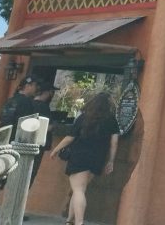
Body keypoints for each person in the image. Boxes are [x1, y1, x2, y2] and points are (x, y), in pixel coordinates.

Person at [49, 92, 120, 225]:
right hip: (97, 159)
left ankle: (79, 222)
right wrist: (111, 161)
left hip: (79, 156)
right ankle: (69, 221)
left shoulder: (84, 118)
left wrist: (56, 150)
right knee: (79, 190)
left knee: (78, 190)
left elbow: (70, 137)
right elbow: (114, 143)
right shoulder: (111, 120)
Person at [28, 83, 55, 188]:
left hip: (25, 141)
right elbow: (46, 127)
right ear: (47, 93)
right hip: (37, 144)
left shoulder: (28, 103)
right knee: (31, 172)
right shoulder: (44, 107)